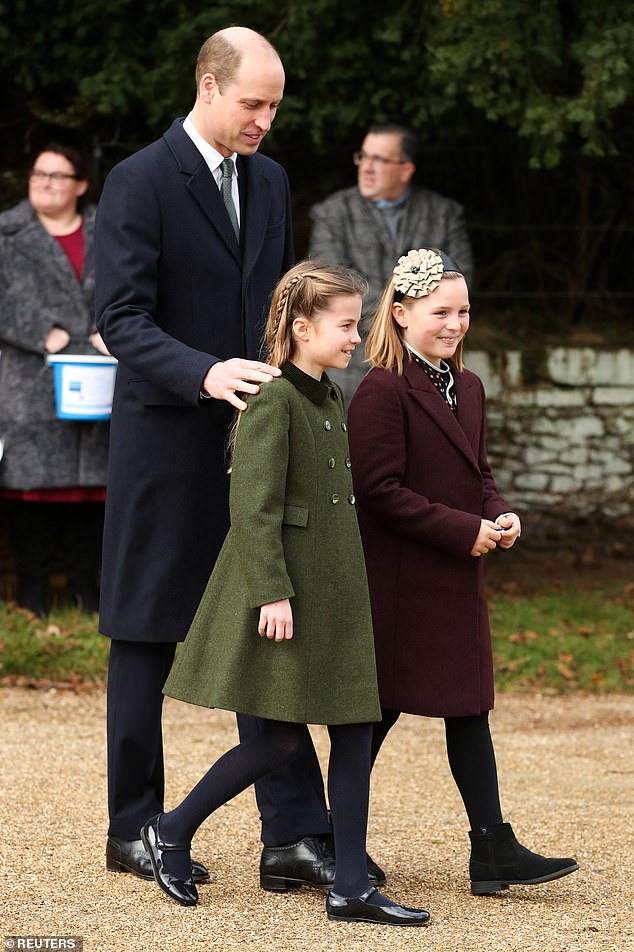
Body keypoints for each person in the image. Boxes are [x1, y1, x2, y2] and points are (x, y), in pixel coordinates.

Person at [95, 27, 359, 894]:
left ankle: (292, 836)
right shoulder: (137, 180)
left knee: (269, 613)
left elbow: (284, 310)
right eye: (254, 103)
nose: (266, 122)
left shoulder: (273, 181)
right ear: (209, 86)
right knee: (142, 632)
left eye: (275, 106)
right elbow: (121, 319)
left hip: (260, 443)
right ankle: (133, 828)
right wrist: (205, 373)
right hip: (165, 443)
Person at [142, 260, 429, 927]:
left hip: (333, 590)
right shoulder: (274, 398)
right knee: (277, 743)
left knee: (351, 730)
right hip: (289, 595)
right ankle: (173, 830)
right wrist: (272, 592)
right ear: (302, 327)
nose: (358, 337)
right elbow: (254, 507)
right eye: (346, 325)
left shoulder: (328, 395)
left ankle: (349, 886)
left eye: (358, 324)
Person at [347, 247, 578, 895]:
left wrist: (500, 514)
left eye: (464, 311)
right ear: (399, 314)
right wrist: (463, 530)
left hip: (455, 577)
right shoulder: (380, 391)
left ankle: (492, 849)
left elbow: (478, 474)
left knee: (469, 708)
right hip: (399, 582)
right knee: (376, 715)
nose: (455, 324)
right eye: (440, 311)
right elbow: (380, 490)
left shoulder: (468, 386)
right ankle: (330, 842)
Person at [0, 142, 109, 616]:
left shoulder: (109, 232)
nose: (44, 182)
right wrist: (41, 332)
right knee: (36, 499)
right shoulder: (6, 233)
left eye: (57, 175)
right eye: (38, 174)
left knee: (93, 496)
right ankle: (31, 603)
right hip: (30, 385)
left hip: (101, 382)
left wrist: (119, 328)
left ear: (80, 185)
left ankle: (89, 603)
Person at [309, 124, 473, 404]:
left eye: (380, 160)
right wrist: (409, 315)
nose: (367, 168)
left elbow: (460, 283)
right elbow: (333, 289)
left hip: (427, 364)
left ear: (406, 169)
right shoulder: (333, 213)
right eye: (363, 157)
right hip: (353, 366)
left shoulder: (444, 214)